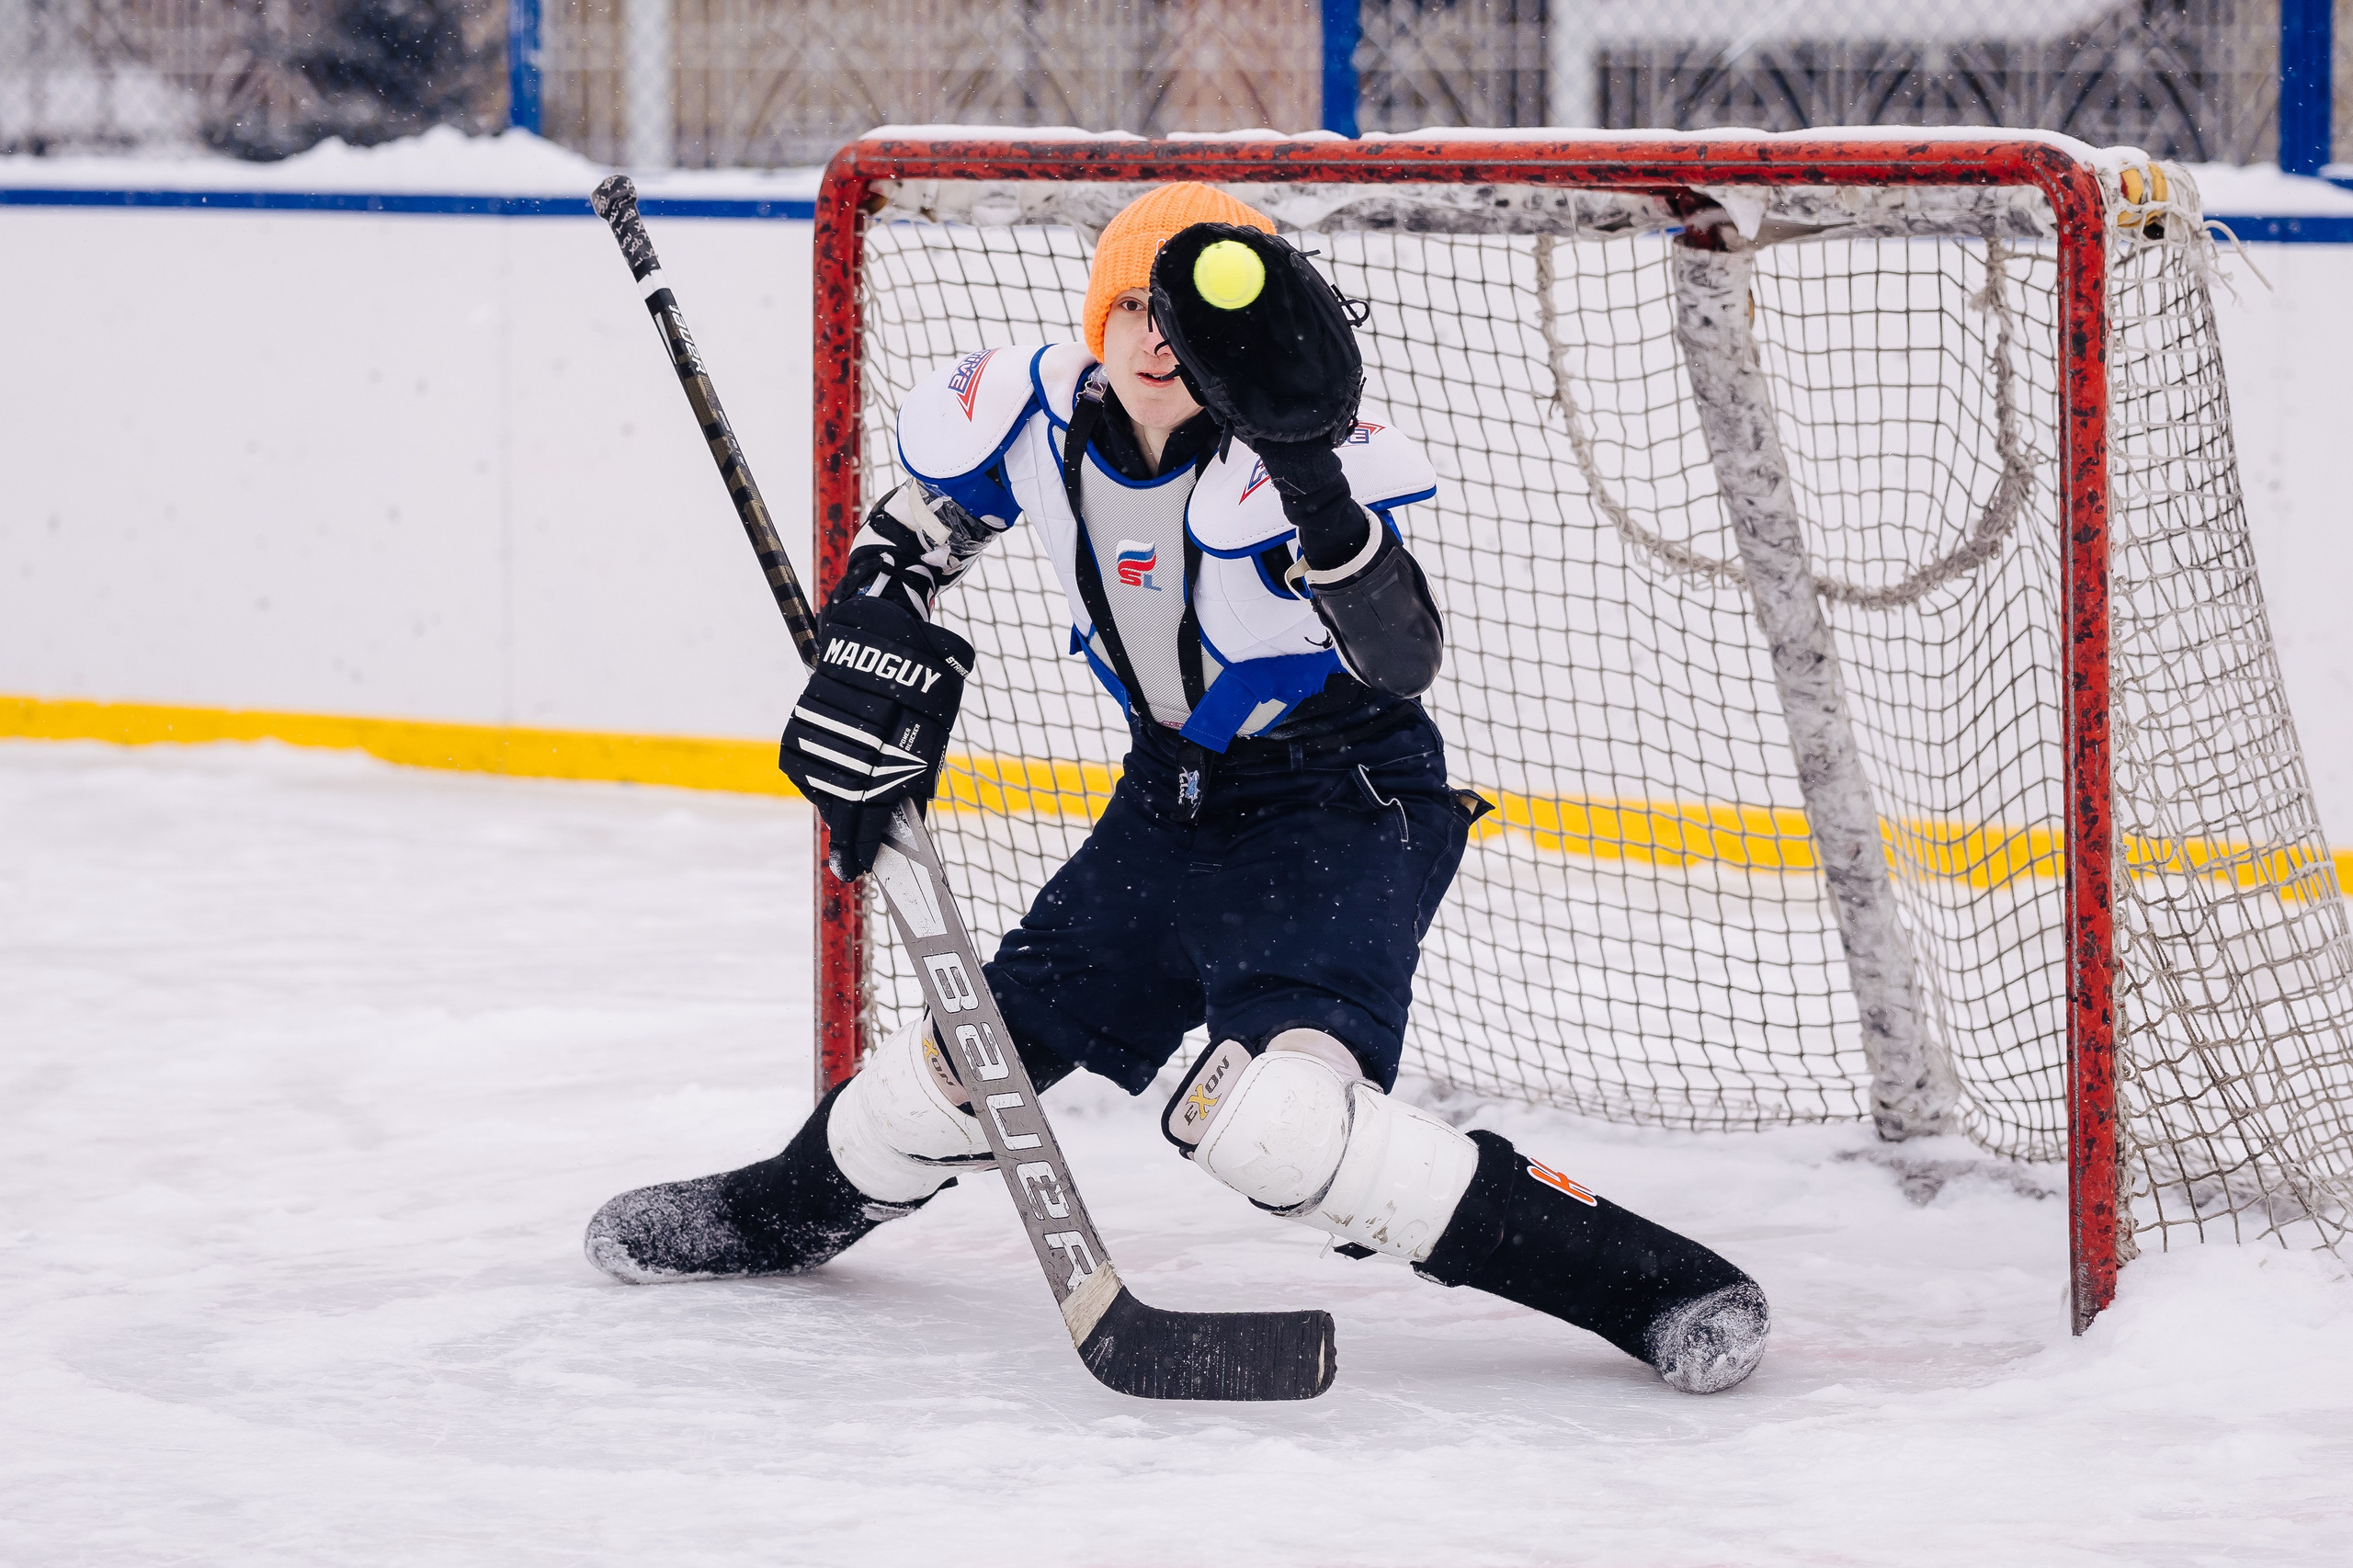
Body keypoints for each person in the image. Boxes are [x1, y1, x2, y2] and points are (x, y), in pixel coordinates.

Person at [584, 184, 1769, 1395]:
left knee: (1280, 1125)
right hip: (1167, 808)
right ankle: (789, 1210)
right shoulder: (1031, 415)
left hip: (1337, 803)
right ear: (1098, 315)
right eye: (1136, 306)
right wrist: (875, 626)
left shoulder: (1291, 468)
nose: (1161, 338)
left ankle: (1650, 1281)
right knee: (959, 1065)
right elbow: (921, 523)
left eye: (1189, 319)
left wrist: (1317, 491)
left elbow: (1402, 653)